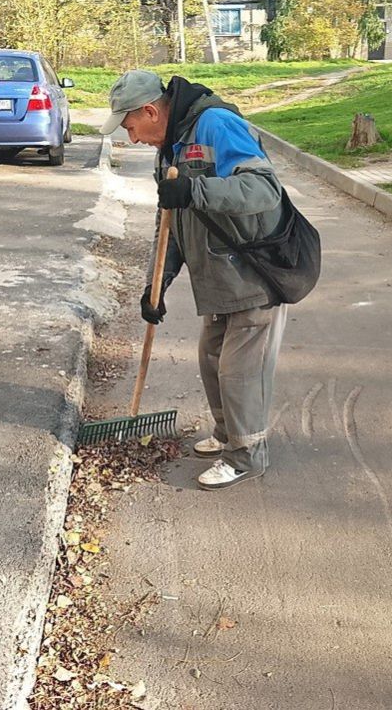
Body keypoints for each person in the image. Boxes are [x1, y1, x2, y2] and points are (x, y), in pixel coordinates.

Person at [99, 70, 289, 491]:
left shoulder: (216, 125)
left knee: (240, 373)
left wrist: (195, 191)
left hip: (253, 272)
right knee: (211, 361)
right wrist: (156, 284)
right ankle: (229, 435)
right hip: (218, 278)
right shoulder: (168, 149)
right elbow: (168, 223)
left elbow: (263, 190)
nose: (131, 139)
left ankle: (247, 456)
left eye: (130, 128)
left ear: (150, 111)